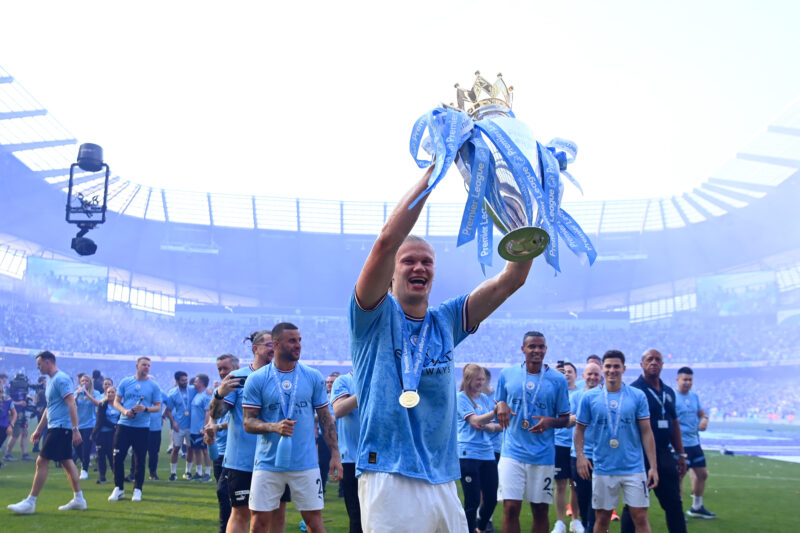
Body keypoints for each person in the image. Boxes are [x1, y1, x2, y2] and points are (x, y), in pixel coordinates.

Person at [351, 166, 533, 533]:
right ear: (391, 272)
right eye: (409, 261)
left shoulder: (446, 320)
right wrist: (434, 173)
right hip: (389, 472)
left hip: (442, 475)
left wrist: (524, 214)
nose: (419, 267)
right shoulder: (370, 314)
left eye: (427, 261)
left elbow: (511, 279)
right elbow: (387, 240)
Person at [242, 322, 342, 533]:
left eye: (299, 340)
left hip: (305, 462)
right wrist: (273, 427)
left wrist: (335, 454)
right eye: (292, 341)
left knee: (314, 522)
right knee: (259, 523)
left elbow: (326, 418)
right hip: (268, 463)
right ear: (276, 344)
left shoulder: (312, 376)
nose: (298, 345)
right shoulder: (257, 379)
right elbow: (248, 422)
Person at [208, 330, 289, 533]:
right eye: (270, 344)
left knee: (277, 512)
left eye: (277, 344)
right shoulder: (237, 377)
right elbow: (217, 413)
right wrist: (219, 394)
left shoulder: (285, 377)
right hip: (242, 460)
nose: (275, 348)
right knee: (241, 513)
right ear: (256, 349)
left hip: (275, 459)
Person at [575, 350, 658, 533]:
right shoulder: (589, 397)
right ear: (603, 368)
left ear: (624, 369)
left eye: (616, 366)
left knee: (640, 516)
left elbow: (646, 431)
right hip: (604, 467)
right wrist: (580, 456)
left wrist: (653, 466)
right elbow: (579, 430)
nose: (612, 370)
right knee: (602, 518)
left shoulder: (637, 395)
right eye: (608, 366)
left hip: (633, 467)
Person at [495, 331, 570, 533]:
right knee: (511, 508)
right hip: (512, 452)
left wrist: (549, 421)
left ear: (545, 349)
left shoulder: (558, 380)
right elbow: (498, 404)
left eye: (541, 347)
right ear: (523, 349)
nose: (537, 350)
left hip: (542, 455)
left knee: (540, 510)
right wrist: (500, 404)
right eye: (532, 346)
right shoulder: (507, 374)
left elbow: (564, 418)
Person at [8, 351, 87, 514]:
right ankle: (79, 499)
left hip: (60, 427)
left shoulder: (61, 379)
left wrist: (75, 429)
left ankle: (30, 502)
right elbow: (49, 408)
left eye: (39, 364)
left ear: (48, 362)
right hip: (56, 426)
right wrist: (38, 429)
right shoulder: (51, 381)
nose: (37, 368)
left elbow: (72, 403)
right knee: (66, 461)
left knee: (41, 461)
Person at [620, 349, 687, 533]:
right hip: (640, 456)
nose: (654, 362)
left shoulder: (668, 392)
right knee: (634, 506)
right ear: (642, 364)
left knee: (674, 505)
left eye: (658, 359)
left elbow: (674, 423)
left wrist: (680, 454)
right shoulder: (633, 391)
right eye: (649, 359)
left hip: (665, 455)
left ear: (663, 365)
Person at [108, 356, 162, 502]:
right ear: (137, 366)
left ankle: (137, 489)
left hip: (142, 428)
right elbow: (116, 402)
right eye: (144, 365)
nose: (146, 367)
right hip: (124, 425)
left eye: (149, 366)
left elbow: (158, 406)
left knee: (139, 459)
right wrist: (125, 411)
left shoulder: (154, 386)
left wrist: (145, 409)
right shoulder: (126, 382)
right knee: (117, 457)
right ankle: (118, 488)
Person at [458, 363, 501, 533]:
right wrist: (493, 415)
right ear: (468, 379)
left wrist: (489, 423)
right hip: (468, 453)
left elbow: (499, 427)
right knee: (473, 501)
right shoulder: (461, 398)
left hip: (487, 453)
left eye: (483, 379)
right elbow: (476, 421)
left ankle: (480, 529)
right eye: (478, 379)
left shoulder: (484, 399)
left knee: (491, 499)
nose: (481, 382)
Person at [674, 367, 715, 519]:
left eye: (690, 380)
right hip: (679, 445)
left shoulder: (694, 396)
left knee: (702, 474)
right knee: (679, 476)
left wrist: (704, 419)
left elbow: (702, 414)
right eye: (685, 379)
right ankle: (677, 511)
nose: (687, 382)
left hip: (694, 443)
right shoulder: (672, 397)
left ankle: (697, 507)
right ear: (677, 380)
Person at [205, 354, 239, 533]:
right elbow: (212, 415)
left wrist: (218, 426)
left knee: (224, 492)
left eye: (225, 368)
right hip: (219, 450)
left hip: (236, 452)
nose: (222, 372)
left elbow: (239, 421)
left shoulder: (243, 388)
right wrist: (209, 430)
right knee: (223, 496)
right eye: (219, 369)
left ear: (236, 367)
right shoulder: (220, 391)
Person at [568, 362, 602, 533]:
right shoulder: (576, 397)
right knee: (582, 495)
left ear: (601, 377)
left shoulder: (606, 397)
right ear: (583, 376)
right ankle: (587, 523)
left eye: (596, 374)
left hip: (601, 455)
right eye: (589, 374)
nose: (592, 377)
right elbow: (567, 422)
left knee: (598, 498)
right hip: (580, 454)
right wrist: (581, 415)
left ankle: (592, 528)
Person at [552, 361, 582, 533]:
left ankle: (575, 520)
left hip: (576, 444)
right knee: (561, 484)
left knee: (575, 483)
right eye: (564, 372)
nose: (567, 374)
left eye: (570, 371)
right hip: (559, 443)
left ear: (576, 375)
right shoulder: (555, 393)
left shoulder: (580, 394)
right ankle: (560, 522)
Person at [332, 369, 362, 533]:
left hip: (383, 460)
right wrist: (366, 387)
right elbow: (339, 410)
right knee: (357, 517)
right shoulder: (344, 381)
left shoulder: (386, 377)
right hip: (353, 459)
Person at [164, 370, 196, 481]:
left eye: (186, 380)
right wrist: (173, 423)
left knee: (190, 449)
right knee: (176, 449)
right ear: (177, 381)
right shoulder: (172, 393)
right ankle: (173, 473)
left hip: (191, 425)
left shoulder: (192, 390)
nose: (185, 382)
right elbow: (168, 410)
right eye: (183, 380)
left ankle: (188, 472)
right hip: (179, 425)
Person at [74, 374, 102, 480]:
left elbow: (98, 403)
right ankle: (85, 461)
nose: (84, 383)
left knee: (86, 447)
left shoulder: (96, 393)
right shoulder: (76, 392)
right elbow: (71, 404)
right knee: (76, 447)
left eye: (86, 381)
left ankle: (84, 469)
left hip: (90, 424)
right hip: (77, 424)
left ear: (90, 383)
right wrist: (77, 395)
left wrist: (87, 394)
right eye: (82, 381)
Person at [92, 385, 120, 484]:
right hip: (101, 433)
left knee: (112, 455)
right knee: (101, 456)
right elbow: (102, 420)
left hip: (113, 434)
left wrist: (117, 427)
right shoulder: (102, 404)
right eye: (108, 392)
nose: (110, 394)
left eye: (112, 392)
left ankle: (117, 475)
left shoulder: (119, 404)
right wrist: (115, 426)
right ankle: (102, 477)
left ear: (116, 393)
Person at [317, 371, 340, 495]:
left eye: (332, 382)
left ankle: (343, 490)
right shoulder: (322, 397)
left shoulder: (341, 397)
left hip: (340, 435)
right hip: (324, 435)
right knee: (323, 464)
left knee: (344, 462)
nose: (329, 384)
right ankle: (321, 490)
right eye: (328, 382)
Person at [5, 373, 34, 462]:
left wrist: (27, 398)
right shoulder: (9, 389)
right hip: (14, 414)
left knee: (25, 432)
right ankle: (7, 454)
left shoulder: (22, 389)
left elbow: (22, 396)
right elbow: (8, 401)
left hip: (22, 413)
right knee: (15, 434)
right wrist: (19, 403)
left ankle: (24, 454)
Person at [189, 373, 213, 481]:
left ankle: (207, 474)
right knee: (196, 450)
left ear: (202, 383)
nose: (194, 383)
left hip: (201, 429)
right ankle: (198, 472)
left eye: (196, 381)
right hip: (193, 429)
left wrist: (205, 427)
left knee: (205, 451)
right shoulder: (197, 394)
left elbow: (208, 413)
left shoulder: (206, 396)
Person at [0, 387, 17, 471]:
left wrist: (11, 425)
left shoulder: (7, 399)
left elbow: (14, 413)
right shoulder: (7, 399)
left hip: (3, 428)